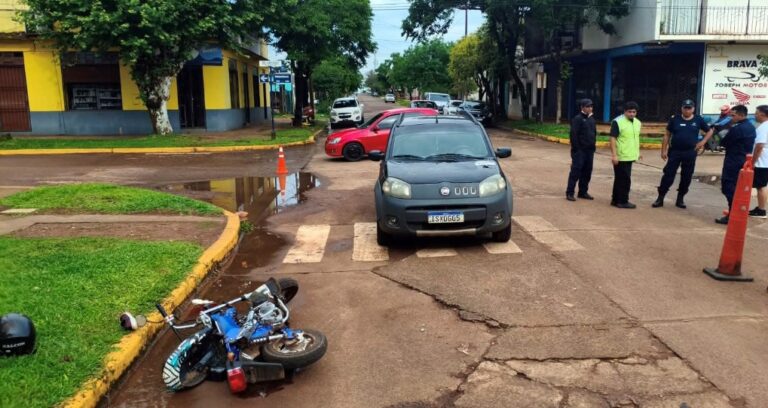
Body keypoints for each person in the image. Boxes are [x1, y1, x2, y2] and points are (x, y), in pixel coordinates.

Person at [652, 99, 714, 209]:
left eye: (689, 108)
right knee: (668, 174)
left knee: (686, 176)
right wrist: (663, 150)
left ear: (693, 109)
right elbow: (667, 135)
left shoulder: (698, 120)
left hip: (690, 152)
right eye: (685, 107)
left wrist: (703, 142)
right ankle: (660, 198)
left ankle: (680, 199)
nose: (687, 110)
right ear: (682, 108)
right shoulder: (674, 119)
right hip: (675, 152)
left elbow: (709, 131)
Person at [703, 105, 756, 224]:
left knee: (728, 186)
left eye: (733, 115)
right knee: (737, 188)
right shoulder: (750, 127)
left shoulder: (737, 129)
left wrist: (720, 134)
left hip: (734, 160)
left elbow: (724, 142)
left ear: (741, 115)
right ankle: (736, 212)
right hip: (744, 160)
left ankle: (733, 214)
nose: (731, 118)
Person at [609, 101, 641, 209]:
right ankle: (623, 201)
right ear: (624, 111)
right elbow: (612, 138)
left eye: (634, 112)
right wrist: (614, 155)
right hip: (621, 156)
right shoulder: (617, 122)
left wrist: (638, 153)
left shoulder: (637, 122)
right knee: (624, 179)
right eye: (629, 112)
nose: (632, 114)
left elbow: (635, 139)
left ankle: (615, 199)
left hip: (631, 155)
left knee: (620, 179)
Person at [566, 99, 597, 201]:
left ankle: (583, 192)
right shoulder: (577, 119)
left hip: (590, 150)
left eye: (591, 106)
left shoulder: (592, 119)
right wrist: (576, 149)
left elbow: (594, 134)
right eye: (587, 106)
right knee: (576, 172)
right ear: (582, 107)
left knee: (587, 172)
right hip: (580, 151)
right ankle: (570, 193)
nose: (590, 108)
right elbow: (573, 135)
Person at [749, 105, 768, 219]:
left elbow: (759, 146)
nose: (755, 115)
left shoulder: (764, 127)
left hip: (761, 162)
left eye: (756, 113)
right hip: (765, 161)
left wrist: (753, 161)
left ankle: (761, 210)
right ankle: (761, 208)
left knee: (760, 186)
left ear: (762, 114)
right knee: (762, 185)